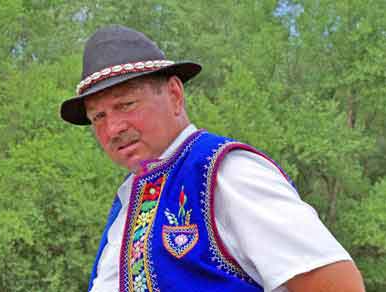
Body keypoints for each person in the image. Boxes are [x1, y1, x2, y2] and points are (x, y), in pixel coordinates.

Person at [60, 25, 365, 292]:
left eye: (126, 104)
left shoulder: (227, 173)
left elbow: (339, 284)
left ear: (175, 96)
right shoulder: (129, 200)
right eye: (98, 116)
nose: (113, 128)